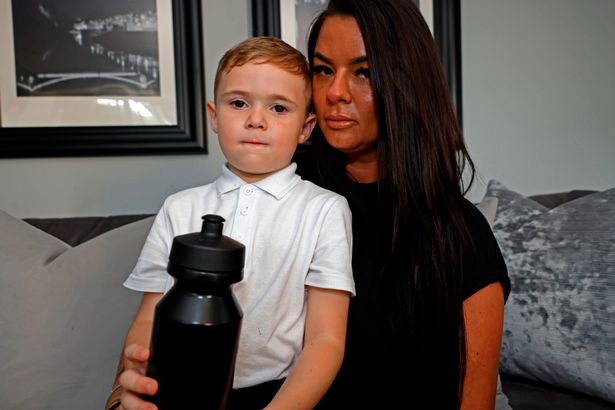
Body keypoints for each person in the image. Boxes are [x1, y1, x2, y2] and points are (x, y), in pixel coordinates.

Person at [105, 36, 355, 410]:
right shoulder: (180, 207)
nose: (256, 120)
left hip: (277, 396)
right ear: (214, 116)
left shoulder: (324, 210)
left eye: (279, 108)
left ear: (306, 129)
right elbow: (149, 318)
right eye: (239, 103)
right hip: (177, 389)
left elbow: (326, 341)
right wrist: (138, 384)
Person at [291, 0, 511, 408]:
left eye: (365, 72)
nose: (335, 92)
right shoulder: (281, 196)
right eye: (323, 70)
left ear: (406, 81)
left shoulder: (460, 236)